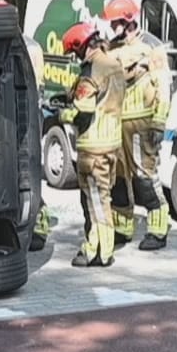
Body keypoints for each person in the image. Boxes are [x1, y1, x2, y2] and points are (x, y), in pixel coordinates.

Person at [103, 0, 173, 251]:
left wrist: (159, 123)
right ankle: (123, 227)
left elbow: (164, 86)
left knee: (145, 177)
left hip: (142, 124)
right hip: (116, 123)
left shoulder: (151, 46)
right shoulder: (111, 47)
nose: (112, 27)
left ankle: (158, 228)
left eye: (116, 22)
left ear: (128, 20)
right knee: (119, 178)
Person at [58, 20, 128, 268]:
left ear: (81, 46)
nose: (76, 57)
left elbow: (84, 110)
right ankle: (98, 247)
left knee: (96, 201)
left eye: (75, 52)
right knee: (102, 196)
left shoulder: (91, 71)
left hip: (93, 146)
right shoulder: (113, 64)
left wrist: (64, 114)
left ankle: (100, 252)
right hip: (112, 143)